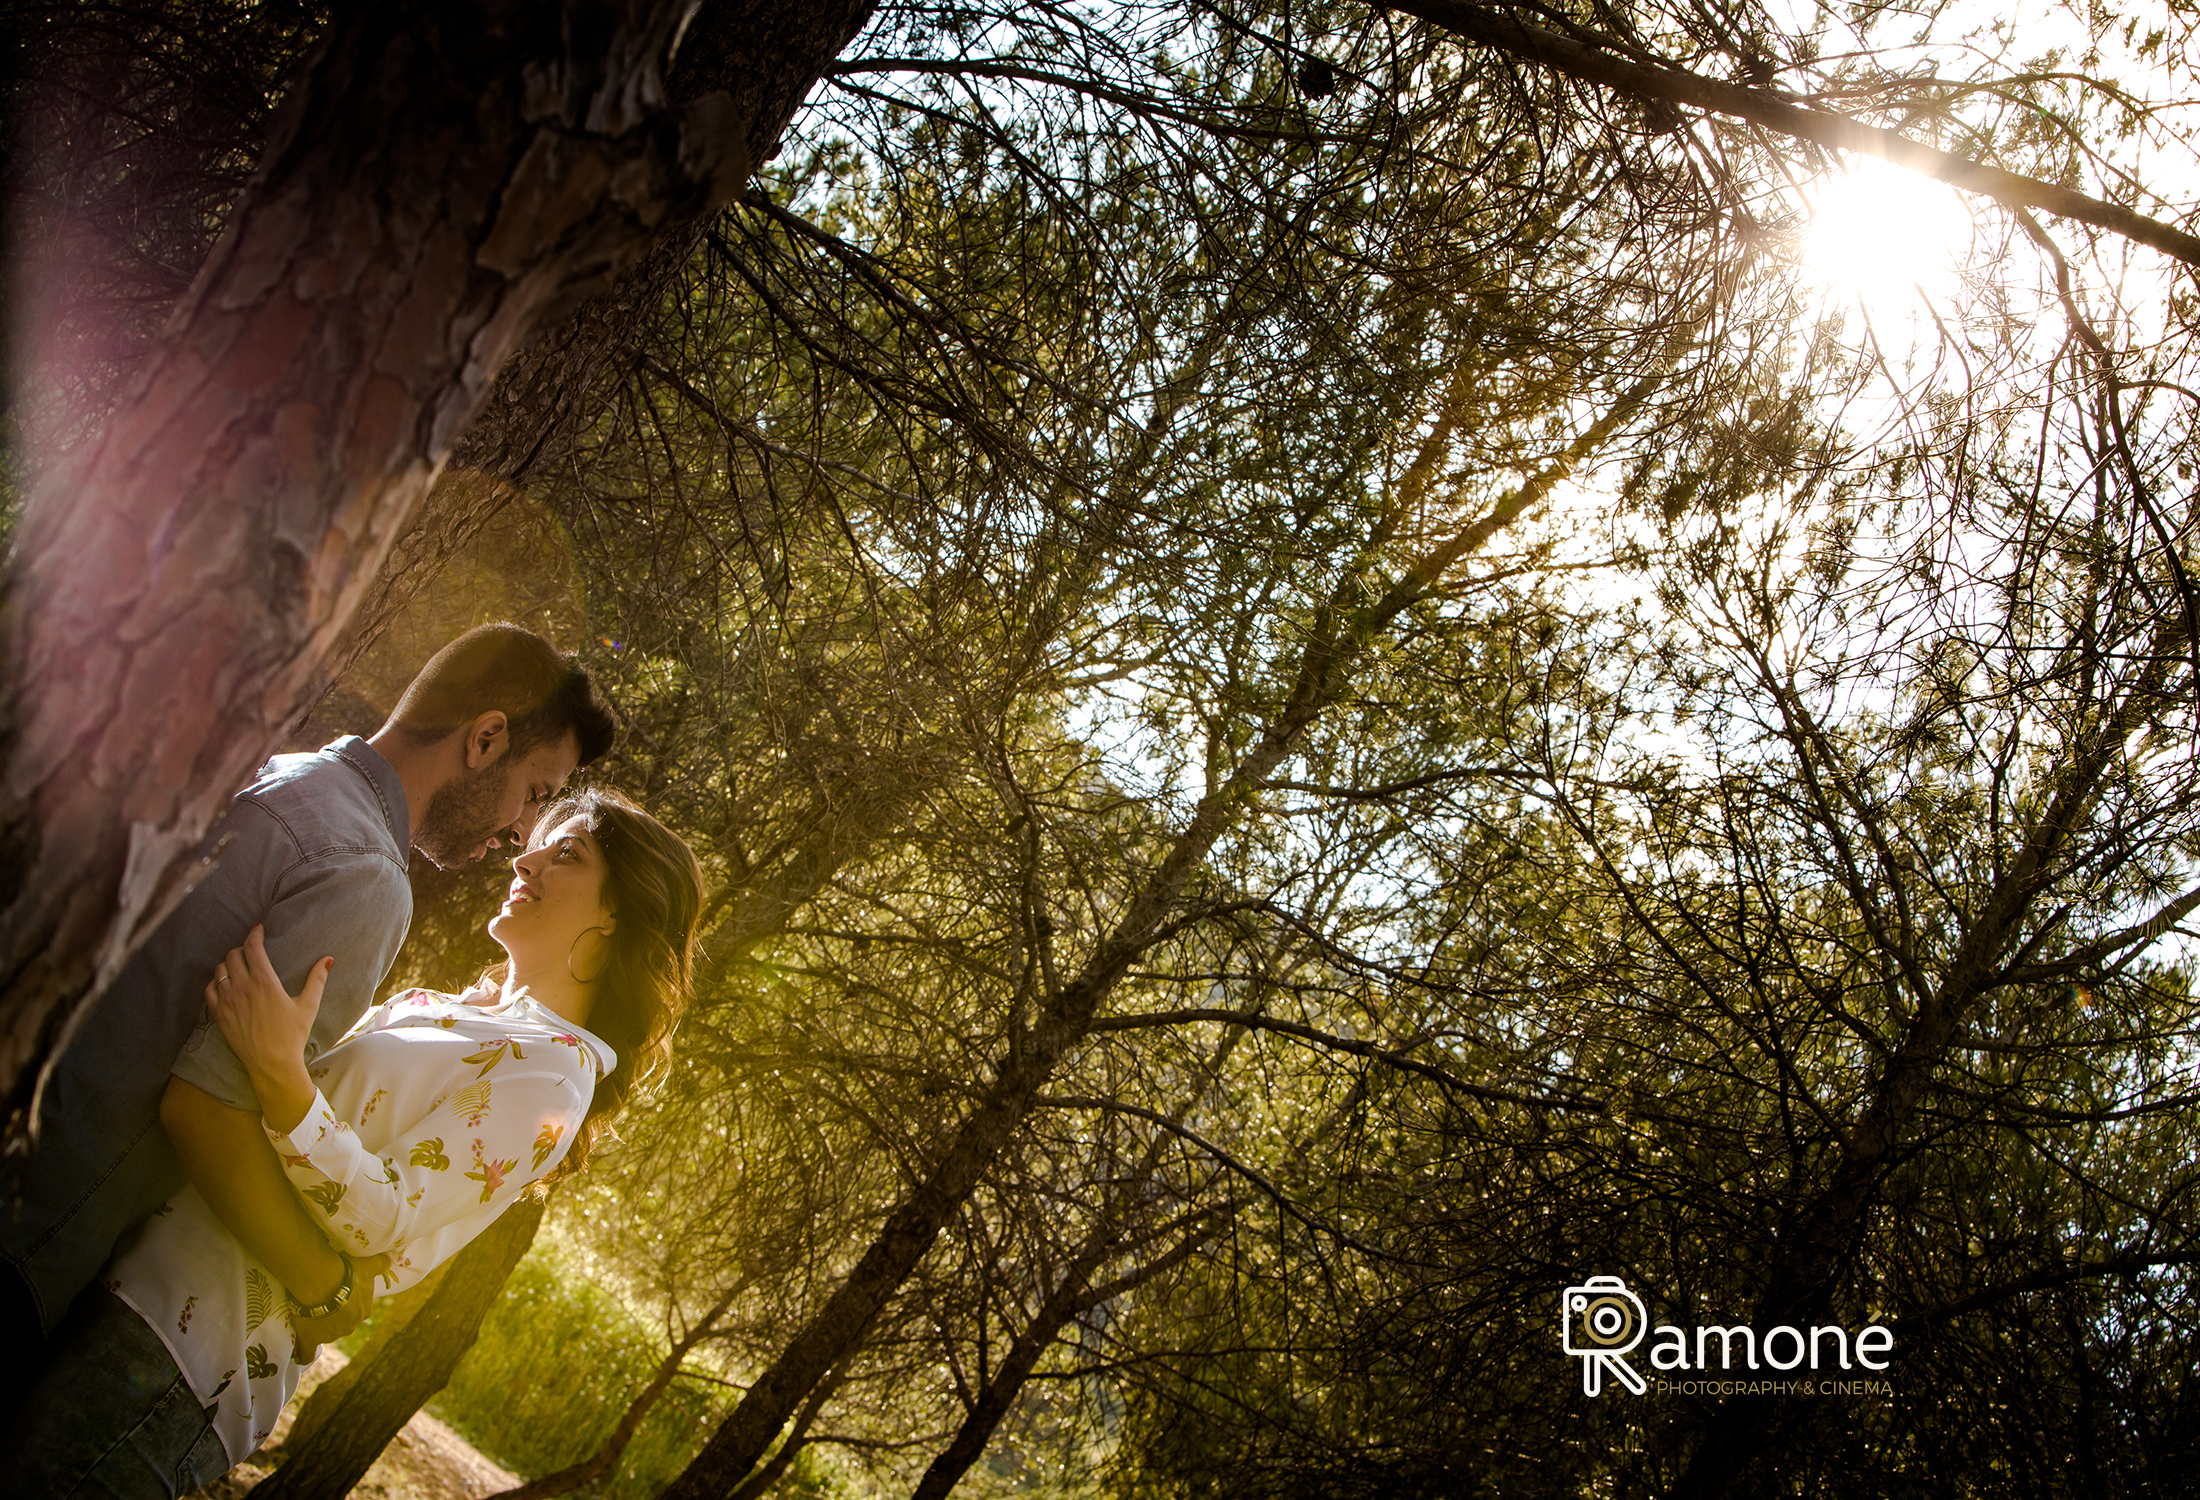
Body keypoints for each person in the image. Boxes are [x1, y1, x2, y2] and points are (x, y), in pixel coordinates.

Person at [4, 788, 703, 1495]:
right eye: (537, 844)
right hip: (123, 1271)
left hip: (187, 1354)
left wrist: (282, 1077)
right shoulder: (449, 1008)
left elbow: (386, 1214)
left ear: (618, 913)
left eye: (567, 855)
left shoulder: (556, 1074)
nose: (523, 860)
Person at [0, 623, 614, 1389]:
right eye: (535, 794)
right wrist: (329, 1288)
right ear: (485, 739)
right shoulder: (365, 879)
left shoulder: (288, 772)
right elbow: (205, 1110)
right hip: (39, 1228)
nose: (523, 830)